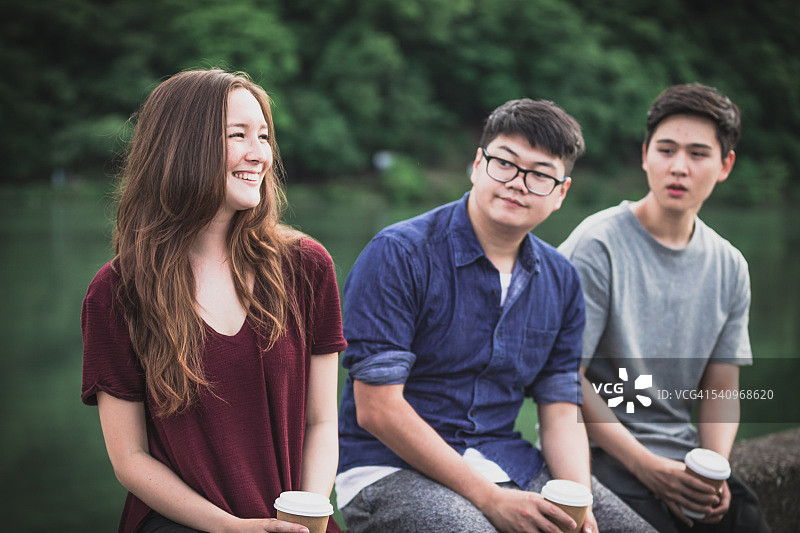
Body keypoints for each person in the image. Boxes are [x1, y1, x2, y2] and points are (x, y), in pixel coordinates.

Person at [336, 98, 656, 532]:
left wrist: (579, 507)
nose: (518, 183)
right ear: (477, 165)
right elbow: (377, 410)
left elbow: (561, 409)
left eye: (540, 174)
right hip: (389, 468)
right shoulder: (400, 254)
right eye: (505, 163)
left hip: (506, 459)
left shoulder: (560, 279)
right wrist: (491, 499)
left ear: (561, 193)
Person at [80, 69, 347, 533]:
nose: (259, 153)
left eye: (264, 136)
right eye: (237, 135)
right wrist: (229, 527)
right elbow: (130, 459)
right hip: (180, 523)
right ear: (183, 145)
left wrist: (303, 515)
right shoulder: (118, 292)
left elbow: (321, 421)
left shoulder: (306, 267)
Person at [558, 83, 771, 533]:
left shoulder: (730, 265)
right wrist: (647, 466)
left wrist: (714, 471)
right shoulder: (598, 245)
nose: (679, 167)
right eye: (667, 149)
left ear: (725, 164)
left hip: (681, 451)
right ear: (644, 155)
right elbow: (563, 377)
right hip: (598, 453)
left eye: (697, 154)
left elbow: (721, 387)